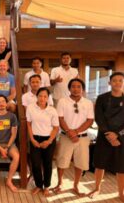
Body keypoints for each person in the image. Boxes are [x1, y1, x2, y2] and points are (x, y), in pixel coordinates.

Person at [52, 78, 94, 196]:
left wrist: (76, 131)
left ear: (82, 89)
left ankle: (76, 185)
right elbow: (60, 118)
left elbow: (90, 120)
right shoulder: (62, 101)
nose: (76, 89)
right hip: (66, 136)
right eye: (73, 86)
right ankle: (60, 183)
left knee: (81, 162)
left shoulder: (88, 102)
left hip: (83, 137)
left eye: (78, 87)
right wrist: (69, 132)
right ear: (69, 88)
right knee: (62, 161)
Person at [88, 72, 124, 201]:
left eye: (120, 80)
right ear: (109, 83)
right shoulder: (102, 98)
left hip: (121, 138)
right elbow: (99, 118)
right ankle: (97, 188)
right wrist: (109, 135)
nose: (117, 83)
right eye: (114, 80)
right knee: (100, 164)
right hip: (104, 135)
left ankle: (121, 193)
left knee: (121, 167)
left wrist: (118, 135)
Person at [26, 87, 59, 196]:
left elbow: (55, 128)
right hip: (35, 138)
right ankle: (39, 185)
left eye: (45, 96)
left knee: (47, 164)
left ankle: (47, 186)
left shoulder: (52, 110)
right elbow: (29, 124)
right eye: (40, 96)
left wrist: (49, 141)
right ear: (37, 96)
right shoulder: (30, 108)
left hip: (48, 139)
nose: (42, 98)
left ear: (48, 97)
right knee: (35, 164)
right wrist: (32, 139)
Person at [0, 95, 19, 192]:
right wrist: (1, 149)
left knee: (16, 156)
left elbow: (14, 134)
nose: (1, 103)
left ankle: (9, 180)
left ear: (6, 103)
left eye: (3, 101)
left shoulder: (12, 116)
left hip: (9, 143)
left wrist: (7, 147)